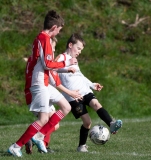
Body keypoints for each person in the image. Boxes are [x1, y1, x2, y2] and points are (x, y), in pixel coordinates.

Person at [7, 10, 81, 157]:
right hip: (39, 83)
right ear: (54, 28)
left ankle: (38, 136)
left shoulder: (42, 38)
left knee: (66, 106)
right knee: (43, 119)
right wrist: (66, 62)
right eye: (59, 30)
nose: (58, 33)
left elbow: (47, 65)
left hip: (44, 82)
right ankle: (16, 146)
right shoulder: (44, 38)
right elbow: (48, 64)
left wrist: (65, 69)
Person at [54, 33, 123, 152]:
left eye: (81, 49)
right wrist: (66, 68)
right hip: (73, 97)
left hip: (85, 90)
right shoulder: (61, 58)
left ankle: (111, 123)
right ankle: (81, 146)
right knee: (87, 122)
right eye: (79, 48)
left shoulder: (75, 60)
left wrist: (91, 84)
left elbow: (80, 76)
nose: (80, 51)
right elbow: (53, 68)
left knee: (96, 104)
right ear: (70, 45)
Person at [25, 37, 82, 154]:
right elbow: (53, 77)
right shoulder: (45, 60)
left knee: (53, 124)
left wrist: (66, 70)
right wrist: (70, 92)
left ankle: (34, 141)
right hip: (40, 90)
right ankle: (34, 141)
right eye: (52, 47)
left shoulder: (37, 59)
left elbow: (52, 70)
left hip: (39, 89)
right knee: (49, 121)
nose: (53, 50)